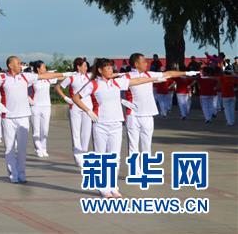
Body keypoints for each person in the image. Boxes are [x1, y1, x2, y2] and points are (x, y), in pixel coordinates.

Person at [71, 58, 182, 198]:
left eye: (111, 68)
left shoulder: (117, 82)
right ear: (100, 70)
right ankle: (103, 187)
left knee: (114, 157)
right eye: (108, 68)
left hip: (117, 124)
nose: (111, 70)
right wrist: (88, 110)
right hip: (100, 124)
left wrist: (154, 79)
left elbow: (138, 81)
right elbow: (76, 97)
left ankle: (113, 186)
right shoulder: (93, 84)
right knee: (101, 157)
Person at [0, 56, 68, 184]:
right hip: (8, 118)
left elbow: (44, 76)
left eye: (20, 63)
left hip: (23, 117)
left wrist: (64, 74)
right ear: (10, 65)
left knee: (22, 149)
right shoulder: (2, 78)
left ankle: (21, 174)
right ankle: (13, 175)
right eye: (17, 63)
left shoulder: (26, 76)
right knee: (9, 148)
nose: (20, 65)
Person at [122, 52, 191, 155]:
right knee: (133, 147)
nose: (146, 63)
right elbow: (114, 91)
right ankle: (134, 166)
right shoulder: (126, 77)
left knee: (147, 145)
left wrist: (186, 73)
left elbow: (168, 74)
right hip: (133, 115)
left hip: (148, 115)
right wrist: (125, 103)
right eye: (144, 61)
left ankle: (145, 165)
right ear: (136, 64)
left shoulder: (149, 74)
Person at [54, 57, 92, 167]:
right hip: (75, 107)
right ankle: (78, 157)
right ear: (78, 67)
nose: (86, 68)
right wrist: (65, 98)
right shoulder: (71, 78)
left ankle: (84, 155)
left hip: (87, 107)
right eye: (84, 66)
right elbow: (57, 87)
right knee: (76, 133)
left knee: (86, 133)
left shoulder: (89, 76)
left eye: (86, 66)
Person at [28, 60, 57, 158]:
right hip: (35, 107)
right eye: (43, 67)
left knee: (45, 130)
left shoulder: (48, 78)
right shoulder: (33, 79)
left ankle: (44, 148)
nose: (45, 69)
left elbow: (59, 77)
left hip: (46, 106)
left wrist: (69, 74)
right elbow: (23, 88)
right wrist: (29, 99)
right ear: (38, 69)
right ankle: (38, 149)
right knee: (36, 130)